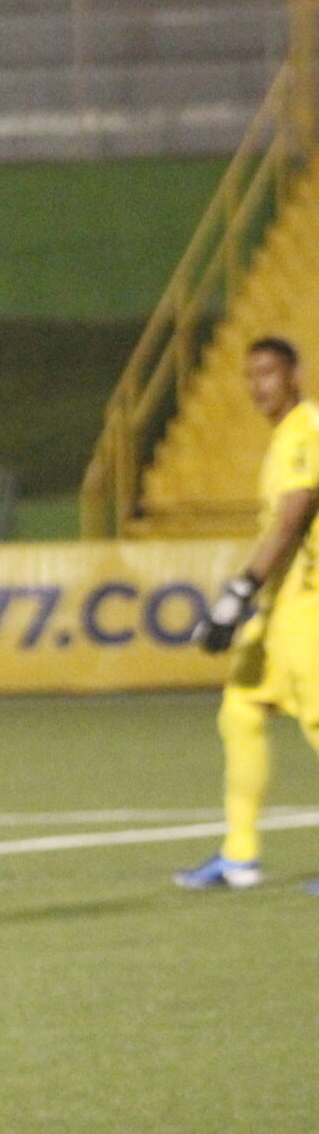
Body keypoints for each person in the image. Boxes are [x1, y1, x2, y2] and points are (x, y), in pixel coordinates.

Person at [178, 337, 319, 891]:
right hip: (280, 607)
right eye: (250, 375)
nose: (259, 385)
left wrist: (237, 592)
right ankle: (239, 857)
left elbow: (293, 515)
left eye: (269, 372)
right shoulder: (285, 435)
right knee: (240, 709)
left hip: (308, 603)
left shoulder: (306, 429)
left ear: (296, 374)